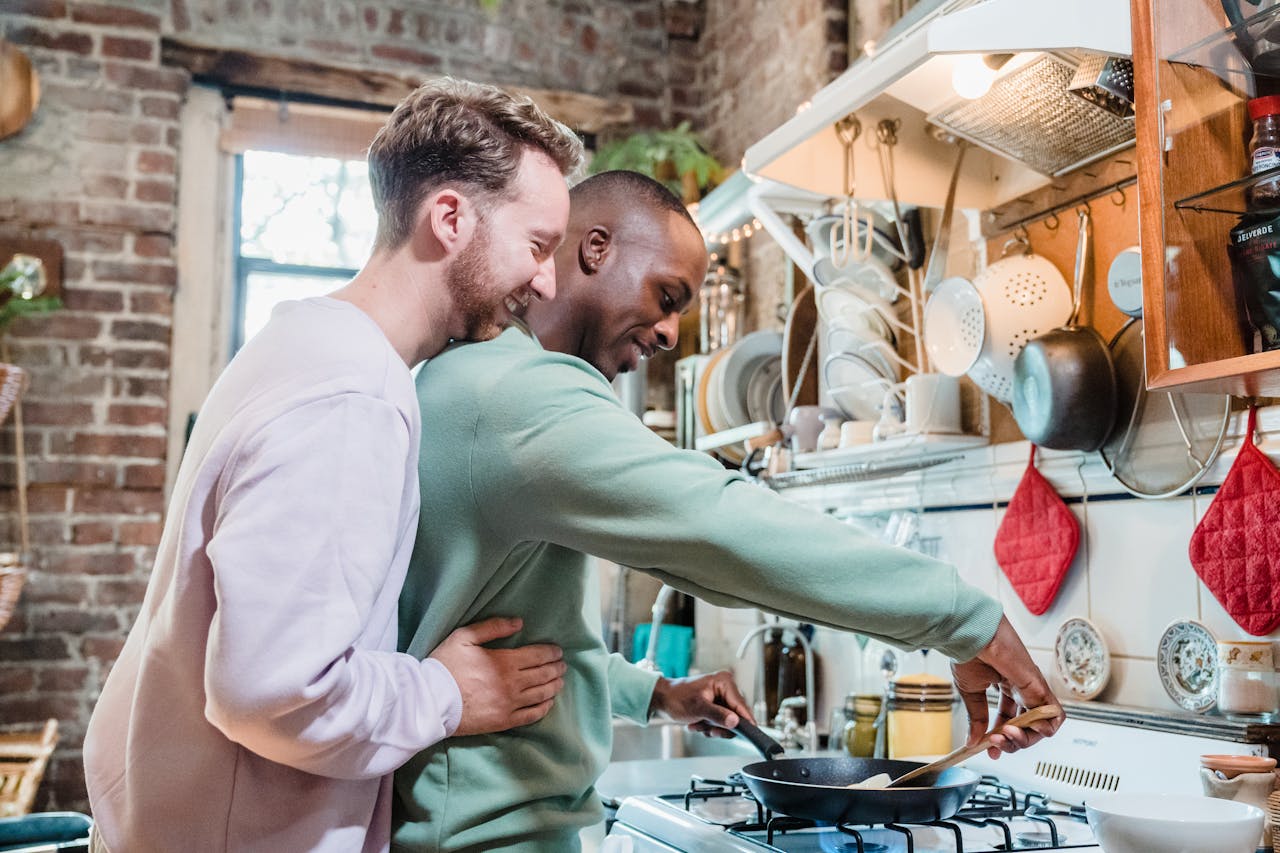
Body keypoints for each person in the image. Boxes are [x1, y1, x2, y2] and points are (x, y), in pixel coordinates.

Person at [392, 170, 1064, 852]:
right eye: (667, 296)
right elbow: (720, 527)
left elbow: (517, 636)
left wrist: (652, 693)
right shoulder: (518, 395)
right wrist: (961, 616)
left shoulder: (478, 376)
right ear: (594, 249)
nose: (671, 332)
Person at [83, 77, 586, 853]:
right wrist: (445, 692)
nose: (548, 281)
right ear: (450, 218)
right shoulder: (352, 396)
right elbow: (273, 693)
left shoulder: (305, 344)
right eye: (538, 245)